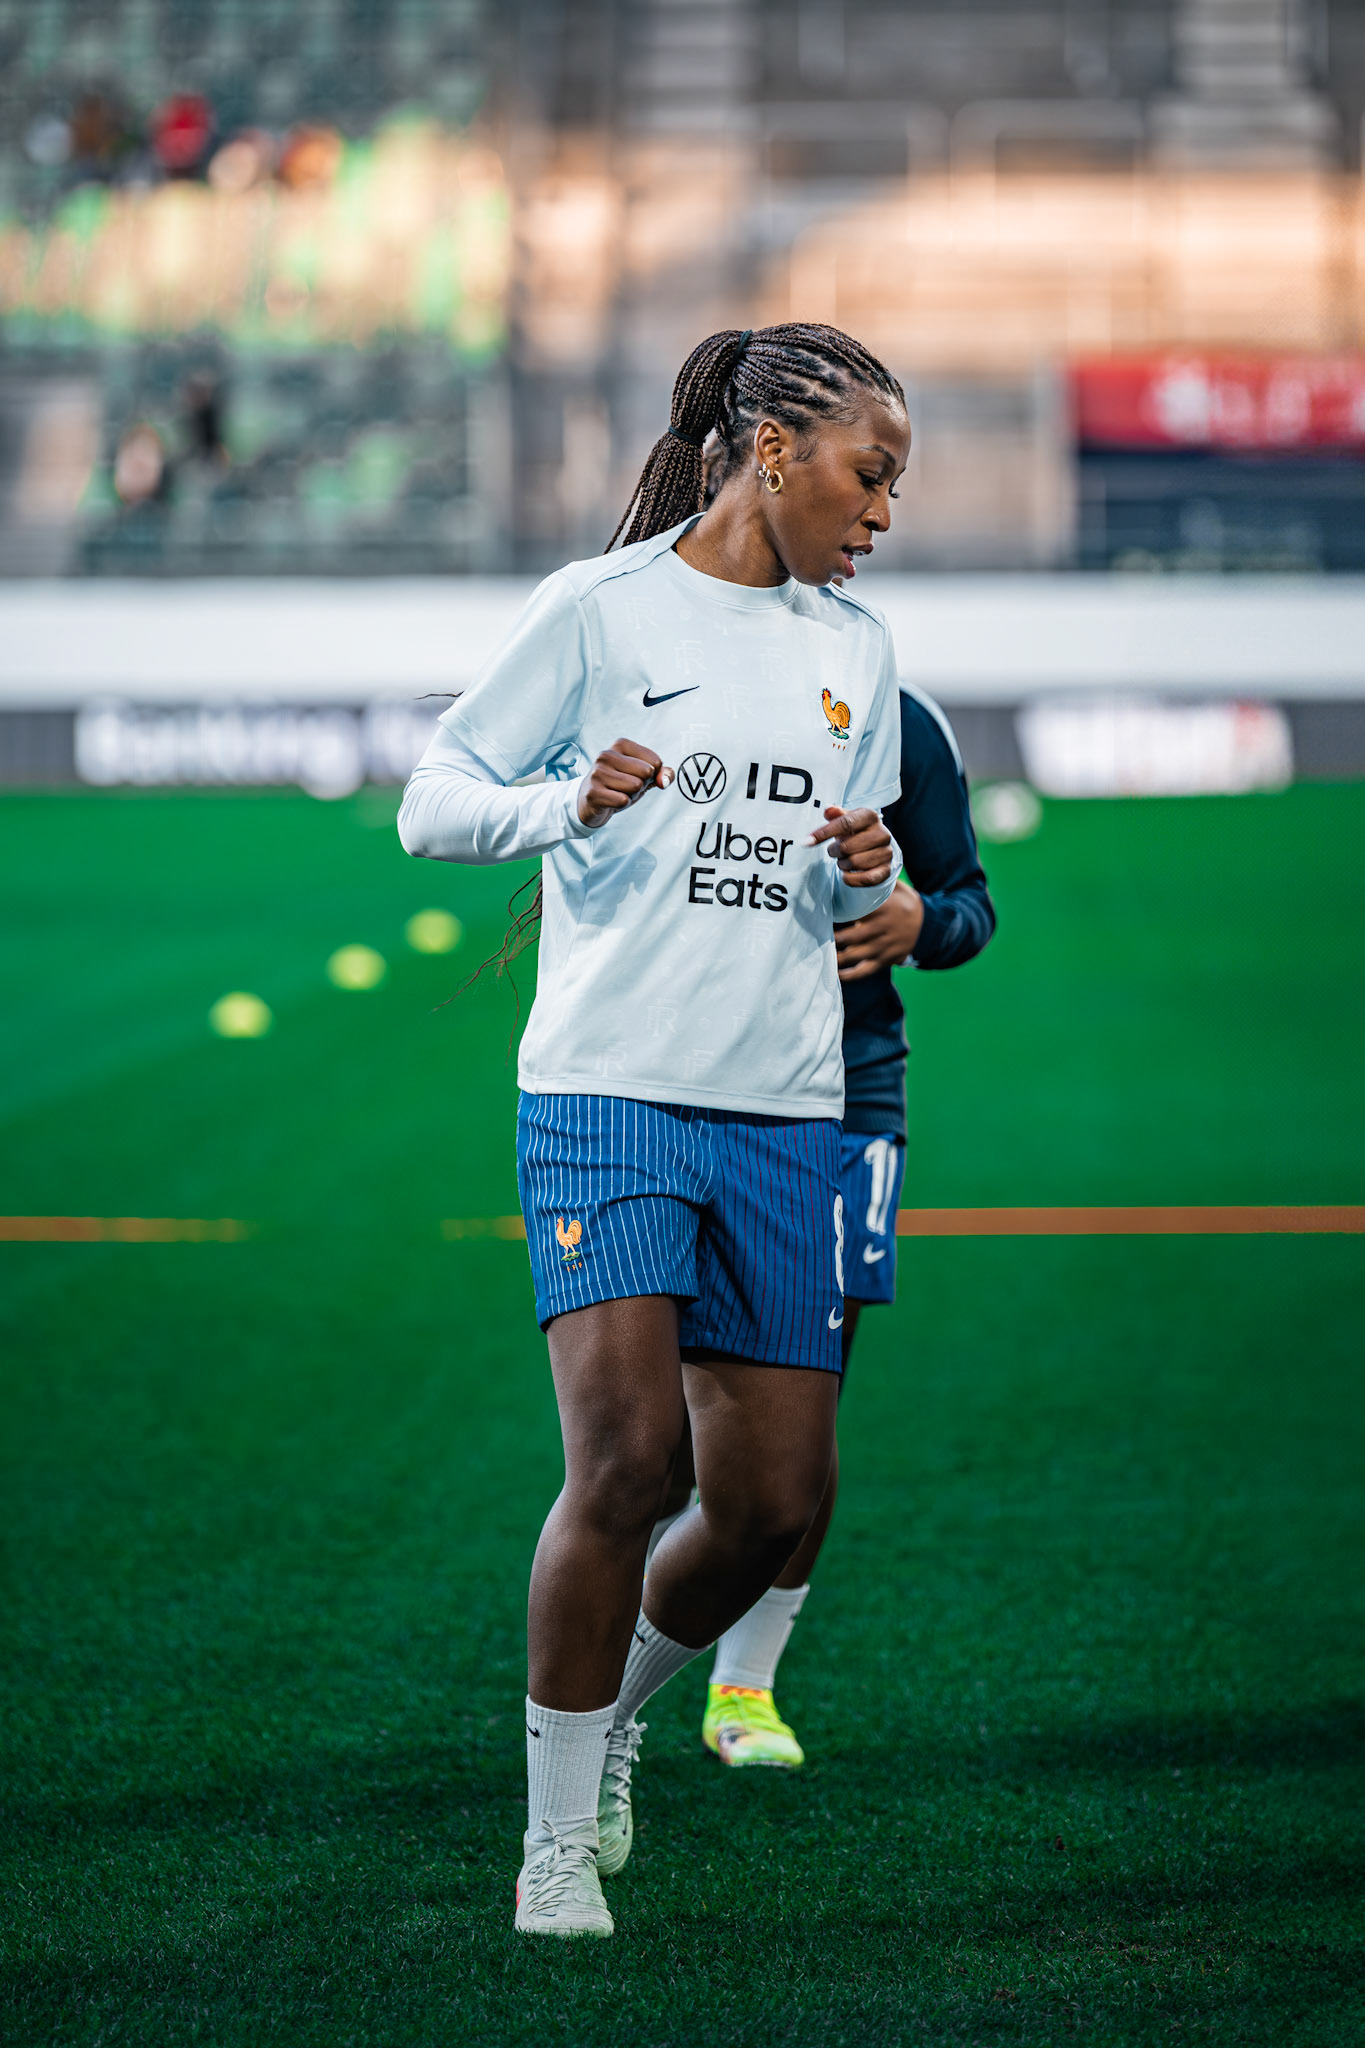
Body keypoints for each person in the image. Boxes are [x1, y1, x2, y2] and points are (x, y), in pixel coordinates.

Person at [398, 323, 913, 1937]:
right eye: (868, 475)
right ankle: (555, 1844)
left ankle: (612, 1709)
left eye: (894, 487)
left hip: (786, 1105)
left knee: (767, 1507)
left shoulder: (861, 652)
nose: (881, 513)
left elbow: (867, 885)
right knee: (628, 1462)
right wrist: (563, 803)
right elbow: (431, 801)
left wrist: (880, 876)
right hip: (608, 1091)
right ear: (774, 449)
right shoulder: (598, 609)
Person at [667, 683, 997, 1768]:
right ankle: (621, 1664)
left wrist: (920, 923)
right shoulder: (678, 685)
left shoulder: (902, 719)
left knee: (797, 1410)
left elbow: (969, 902)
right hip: (675, 1088)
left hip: (848, 1100)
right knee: (658, 1432)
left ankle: (745, 1684)